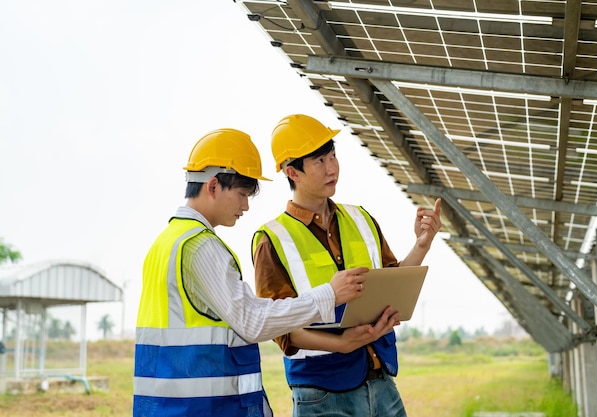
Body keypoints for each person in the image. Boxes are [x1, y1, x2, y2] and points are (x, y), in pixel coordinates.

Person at [132, 128, 396, 417]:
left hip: (169, 405)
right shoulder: (200, 246)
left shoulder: (168, 242)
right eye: (243, 194)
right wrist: (328, 295)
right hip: (200, 407)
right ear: (213, 186)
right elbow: (252, 322)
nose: (245, 206)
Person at [252, 114, 442, 417]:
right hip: (322, 393)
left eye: (333, 156)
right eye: (319, 161)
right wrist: (341, 344)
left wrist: (422, 243)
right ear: (293, 172)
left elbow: (392, 284)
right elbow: (280, 327)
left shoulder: (360, 218)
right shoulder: (272, 239)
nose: (332, 168)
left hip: (380, 380)